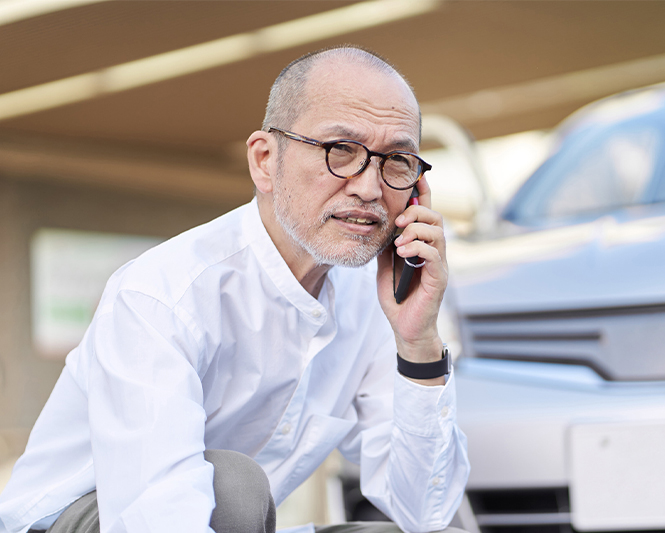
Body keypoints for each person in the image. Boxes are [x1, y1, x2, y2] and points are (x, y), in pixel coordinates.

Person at [0, 47, 470, 533]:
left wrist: (418, 344)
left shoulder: (377, 299)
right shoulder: (163, 296)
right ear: (266, 161)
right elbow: (161, 519)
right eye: (341, 151)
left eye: (396, 161)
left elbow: (425, 513)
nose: (370, 188)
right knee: (233, 488)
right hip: (92, 523)